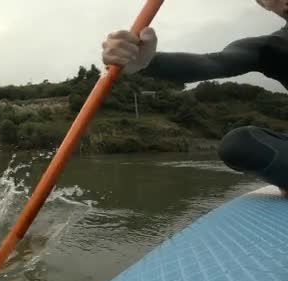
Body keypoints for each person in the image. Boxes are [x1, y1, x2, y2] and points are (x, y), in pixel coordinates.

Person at [101, 0, 288, 195]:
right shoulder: (269, 49)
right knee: (240, 144)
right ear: (263, 4)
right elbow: (211, 62)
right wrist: (145, 62)